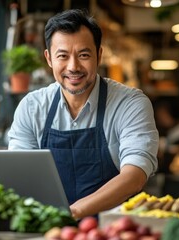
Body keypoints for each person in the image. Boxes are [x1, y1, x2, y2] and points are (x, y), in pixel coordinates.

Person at [8, 9, 159, 219]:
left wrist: (73, 212)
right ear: (49, 58)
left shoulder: (130, 103)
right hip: (49, 228)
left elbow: (135, 175)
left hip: (113, 230)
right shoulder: (31, 107)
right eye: (63, 56)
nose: (73, 67)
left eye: (84, 55)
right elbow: (20, 173)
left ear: (99, 55)